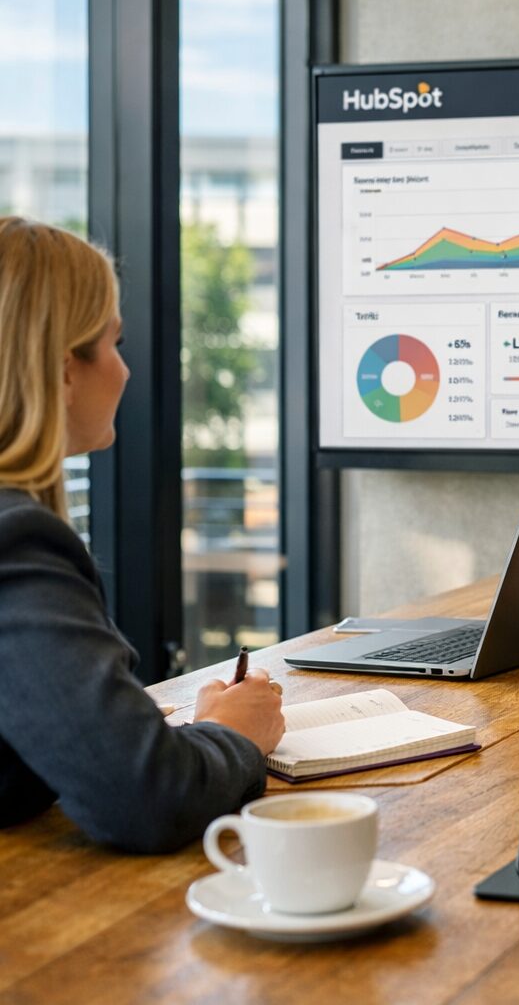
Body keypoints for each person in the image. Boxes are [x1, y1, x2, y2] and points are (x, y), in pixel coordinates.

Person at [0, 216, 284, 852]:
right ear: (63, 370)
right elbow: (147, 797)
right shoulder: (18, 544)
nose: (126, 372)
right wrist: (233, 735)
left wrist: (95, 722)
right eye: (115, 343)